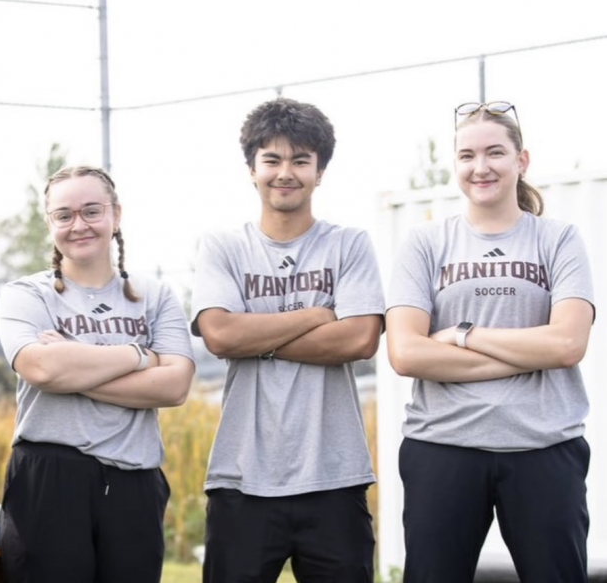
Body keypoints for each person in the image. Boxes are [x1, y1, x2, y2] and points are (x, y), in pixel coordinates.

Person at [386, 101, 595, 583]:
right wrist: (528, 354)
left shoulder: (558, 239)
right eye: (466, 155)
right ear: (455, 164)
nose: (480, 167)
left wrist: (464, 335)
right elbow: (407, 353)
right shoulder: (425, 242)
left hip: (544, 447)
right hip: (442, 446)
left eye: (495, 153)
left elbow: (567, 345)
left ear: (521, 161)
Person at [190, 97, 383, 582]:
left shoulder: (349, 244)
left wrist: (255, 337)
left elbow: (360, 338)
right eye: (272, 160)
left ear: (320, 172)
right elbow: (219, 334)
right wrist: (319, 314)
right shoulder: (224, 247)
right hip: (242, 480)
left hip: (334, 478)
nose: (285, 172)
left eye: (300, 160)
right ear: (251, 169)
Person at [0, 165, 195, 583]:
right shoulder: (26, 294)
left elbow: (175, 385)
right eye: (64, 215)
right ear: (49, 222)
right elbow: (42, 368)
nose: (78, 225)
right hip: (50, 476)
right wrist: (140, 356)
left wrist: (76, 364)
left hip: (134, 480)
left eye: (91, 211)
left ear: (116, 215)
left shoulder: (154, 296)